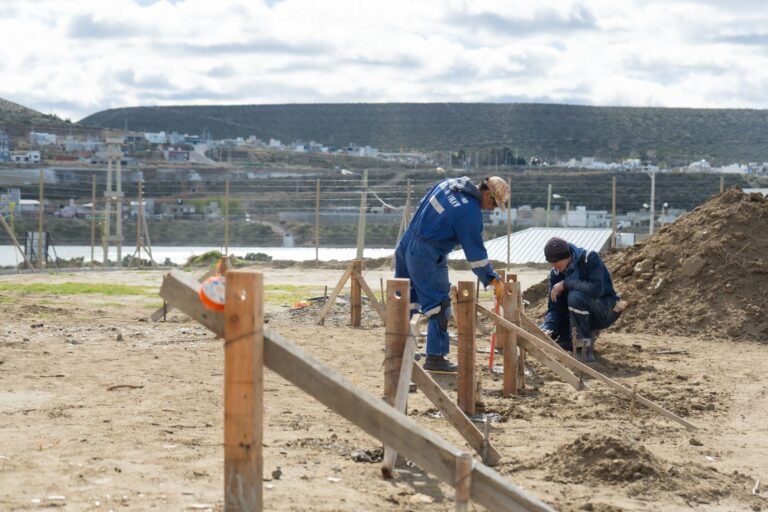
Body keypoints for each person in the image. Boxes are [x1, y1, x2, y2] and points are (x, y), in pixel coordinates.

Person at [395, 176, 510, 372]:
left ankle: (402, 349)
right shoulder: (469, 213)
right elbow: (475, 255)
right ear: (485, 192)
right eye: (493, 203)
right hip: (427, 254)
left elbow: (423, 203)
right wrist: (492, 279)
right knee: (439, 307)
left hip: (407, 242)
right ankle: (436, 358)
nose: (491, 209)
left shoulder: (450, 184)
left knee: (407, 299)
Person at [540, 236, 627, 363]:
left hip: (604, 309)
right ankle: (582, 336)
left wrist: (566, 283)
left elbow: (596, 289)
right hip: (577, 315)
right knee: (563, 343)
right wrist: (548, 328)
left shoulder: (590, 258)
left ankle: (583, 350)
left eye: (556, 263)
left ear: (567, 256)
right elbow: (555, 308)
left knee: (576, 297)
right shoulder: (556, 273)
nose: (554, 267)